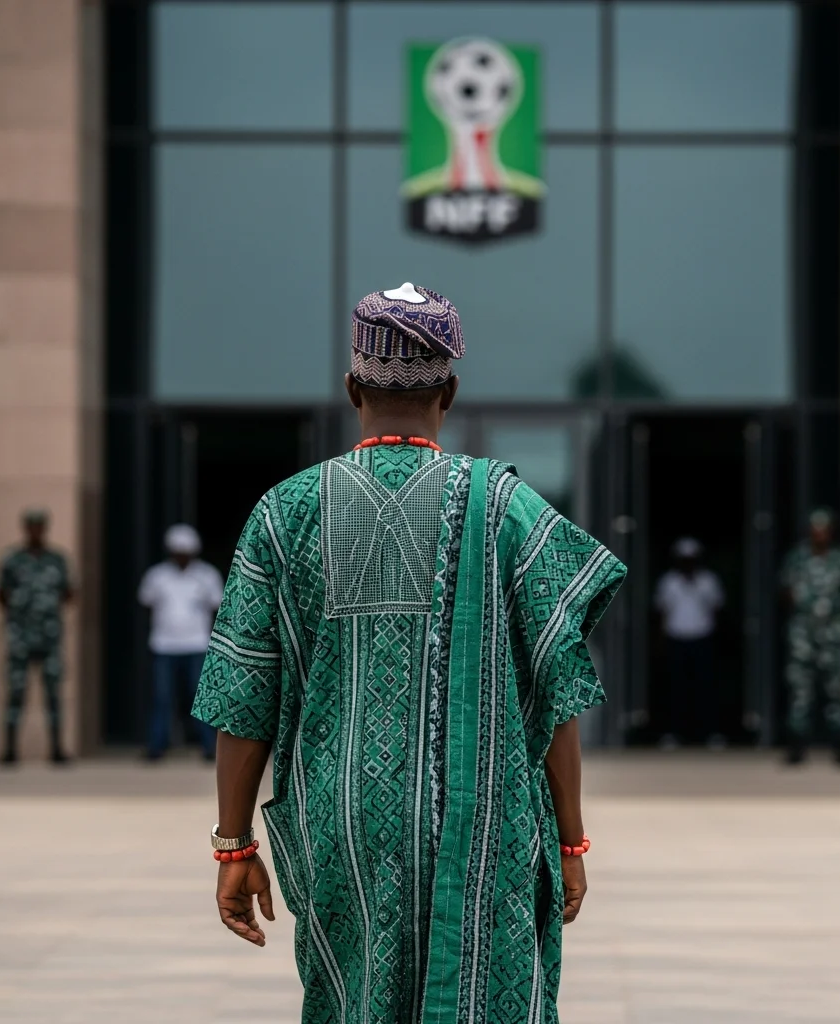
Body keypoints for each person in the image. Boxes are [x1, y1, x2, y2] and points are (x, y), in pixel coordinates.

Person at [192, 283, 627, 1023]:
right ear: (450, 391)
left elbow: (243, 696)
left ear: (351, 387)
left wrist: (234, 847)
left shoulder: (285, 512)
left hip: (343, 830)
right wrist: (572, 838)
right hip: (486, 832)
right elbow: (556, 692)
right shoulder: (507, 510)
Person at [781, 508, 840, 766]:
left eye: (824, 529)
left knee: (836, 689)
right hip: (803, 633)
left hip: (834, 633)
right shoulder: (798, 558)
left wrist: (836, 618)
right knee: (800, 690)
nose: (820, 534)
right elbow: (786, 589)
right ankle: (797, 745)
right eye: (815, 529)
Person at [0, 508, 74, 765]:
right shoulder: (12, 559)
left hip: (50, 637)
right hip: (20, 637)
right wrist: (19, 614)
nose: (36, 530)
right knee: (16, 693)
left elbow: (69, 592)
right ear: (25, 528)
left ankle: (57, 750)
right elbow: (0, 593)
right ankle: (9, 750)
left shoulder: (57, 559)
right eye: (31, 526)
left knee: (53, 695)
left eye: (40, 526)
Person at [138, 524, 222, 761]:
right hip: (164, 645)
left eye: (186, 551)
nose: (181, 556)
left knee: (200, 698)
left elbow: (217, 607)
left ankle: (208, 747)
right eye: (177, 551)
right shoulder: (157, 575)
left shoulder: (207, 575)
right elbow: (146, 604)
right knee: (162, 697)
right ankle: (157, 747)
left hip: (197, 645)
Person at [654, 538, 726, 750]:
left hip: (702, 638)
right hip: (676, 639)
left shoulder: (708, 581)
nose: (688, 564)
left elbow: (717, 610)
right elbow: (662, 613)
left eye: (691, 559)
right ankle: (674, 733)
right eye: (684, 560)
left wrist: (719, 641)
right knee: (676, 690)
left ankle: (710, 733)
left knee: (705, 689)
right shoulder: (668, 582)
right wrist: (659, 642)